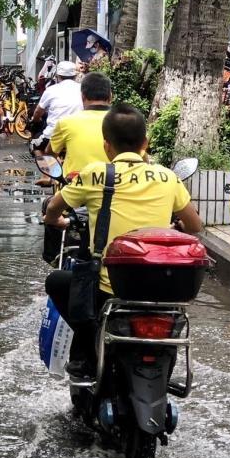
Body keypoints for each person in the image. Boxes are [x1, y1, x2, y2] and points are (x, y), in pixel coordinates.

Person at [43, 104, 203, 377]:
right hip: (164, 288)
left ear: (107, 146)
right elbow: (194, 225)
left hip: (110, 288)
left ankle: (90, 342)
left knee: (56, 282)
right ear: (145, 143)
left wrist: (56, 221)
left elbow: (53, 210)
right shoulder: (168, 176)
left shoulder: (95, 173)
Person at [49, 72, 112, 177]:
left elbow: (50, 153)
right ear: (110, 96)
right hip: (116, 187)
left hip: (74, 188)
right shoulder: (125, 123)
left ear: (82, 96)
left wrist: (53, 174)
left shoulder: (65, 122)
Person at [30, 60, 83, 156]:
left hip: (52, 135)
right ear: (75, 76)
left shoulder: (51, 90)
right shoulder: (83, 89)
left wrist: (35, 120)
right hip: (78, 135)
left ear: (57, 76)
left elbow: (38, 111)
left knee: (34, 146)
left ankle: (49, 169)